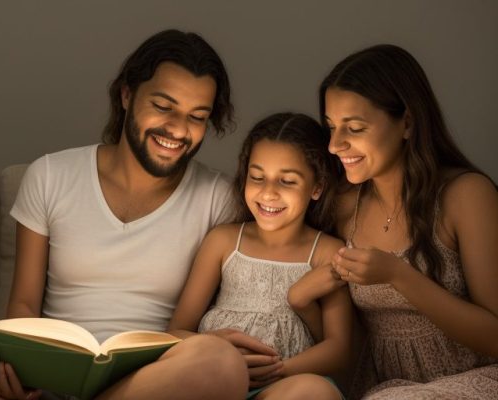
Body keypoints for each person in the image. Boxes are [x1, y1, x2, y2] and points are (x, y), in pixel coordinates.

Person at [0, 29, 249, 400]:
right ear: (127, 95)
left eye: (197, 117)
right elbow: (24, 304)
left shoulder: (218, 198)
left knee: (221, 362)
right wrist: (16, 371)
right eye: (163, 107)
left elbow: (197, 324)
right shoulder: (51, 175)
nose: (178, 129)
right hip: (52, 373)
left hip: (151, 379)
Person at [314, 44, 498, 398]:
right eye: (331, 127)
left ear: (408, 123)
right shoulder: (344, 206)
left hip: (477, 378)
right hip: (385, 387)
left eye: (354, 128)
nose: (335, 145)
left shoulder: (466, 195)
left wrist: (398, 275)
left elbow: (495, 336)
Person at [169, 112, 350, 399]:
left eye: (287, 181)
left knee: (313, 391)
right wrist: (215, 350)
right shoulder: (223, 241)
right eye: (257, 177)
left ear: (317, 187)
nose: (268, 193)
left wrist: (276, 371)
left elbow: (339, 349)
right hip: (215, 380)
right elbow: (176, 331)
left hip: (285, 385)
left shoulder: (327, 252)